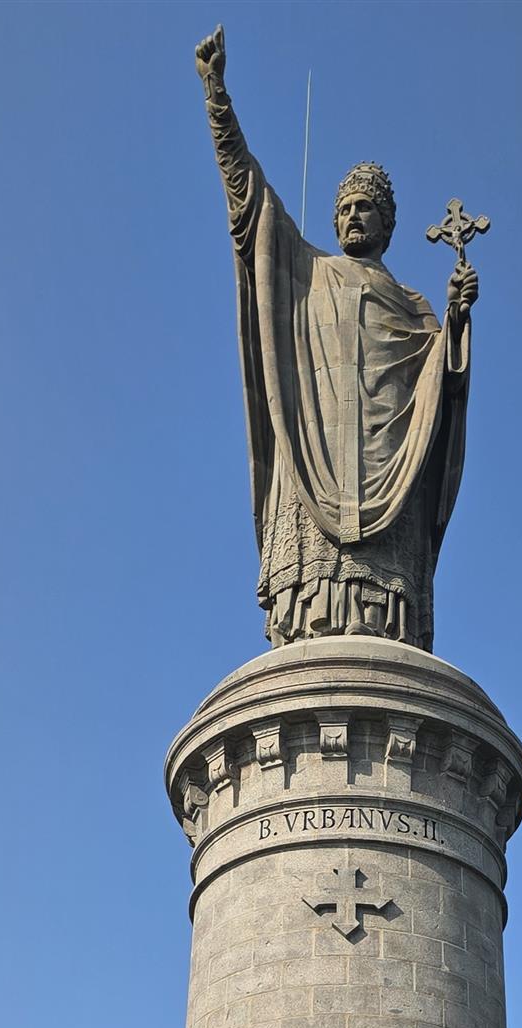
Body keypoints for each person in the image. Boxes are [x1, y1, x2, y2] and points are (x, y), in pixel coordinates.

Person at [195, 23, 477, 651]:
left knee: (385, 595)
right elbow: (250, 206)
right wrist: (218, 100)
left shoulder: (412, 307)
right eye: (346, 208)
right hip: (311, 452)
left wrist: (456, 319)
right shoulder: (307, 272)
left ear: (389, 224)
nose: (354, 216)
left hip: (391, 476)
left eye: (366, 209)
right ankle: (306, 618)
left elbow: (440, 394)